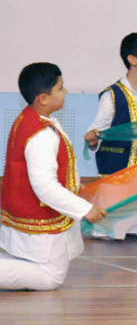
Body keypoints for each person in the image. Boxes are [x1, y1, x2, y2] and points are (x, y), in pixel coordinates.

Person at [0, 63, 106, 290]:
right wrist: (84, 209)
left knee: (34, 266)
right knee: (51, 277)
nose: (65, 92)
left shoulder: (28, 119)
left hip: (27, 211)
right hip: (38, 214)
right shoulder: (41, 134)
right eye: (60, 88)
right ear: (43, 99)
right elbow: (46, 187)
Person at [84, 32, 137, 236]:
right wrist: (92, 139)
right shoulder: (113, 94)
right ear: (132, 59)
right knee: (111, 228)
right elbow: (97, 131)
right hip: (119, 167)